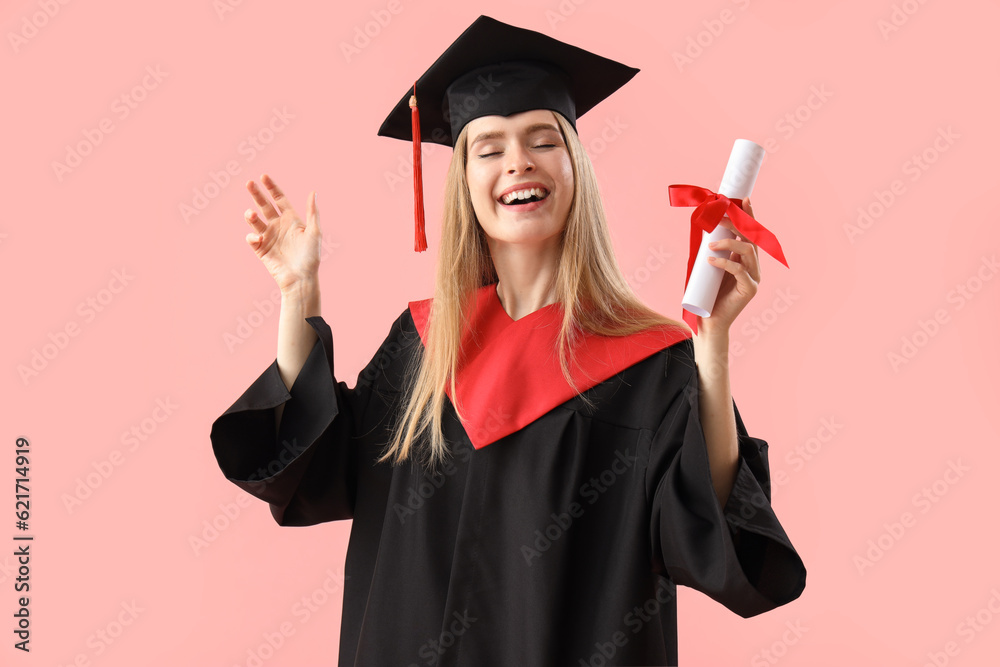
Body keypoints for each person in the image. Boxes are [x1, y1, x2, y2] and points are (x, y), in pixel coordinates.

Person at [210, 15, 806, 667]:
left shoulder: (650, 366)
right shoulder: (420, 347)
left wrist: (711, 346)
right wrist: (299, 295)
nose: (517, 160)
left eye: (542, 139)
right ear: (465, 184)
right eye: (488, 147)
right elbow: (309, 466)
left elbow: (711, 533)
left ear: (575, 166)